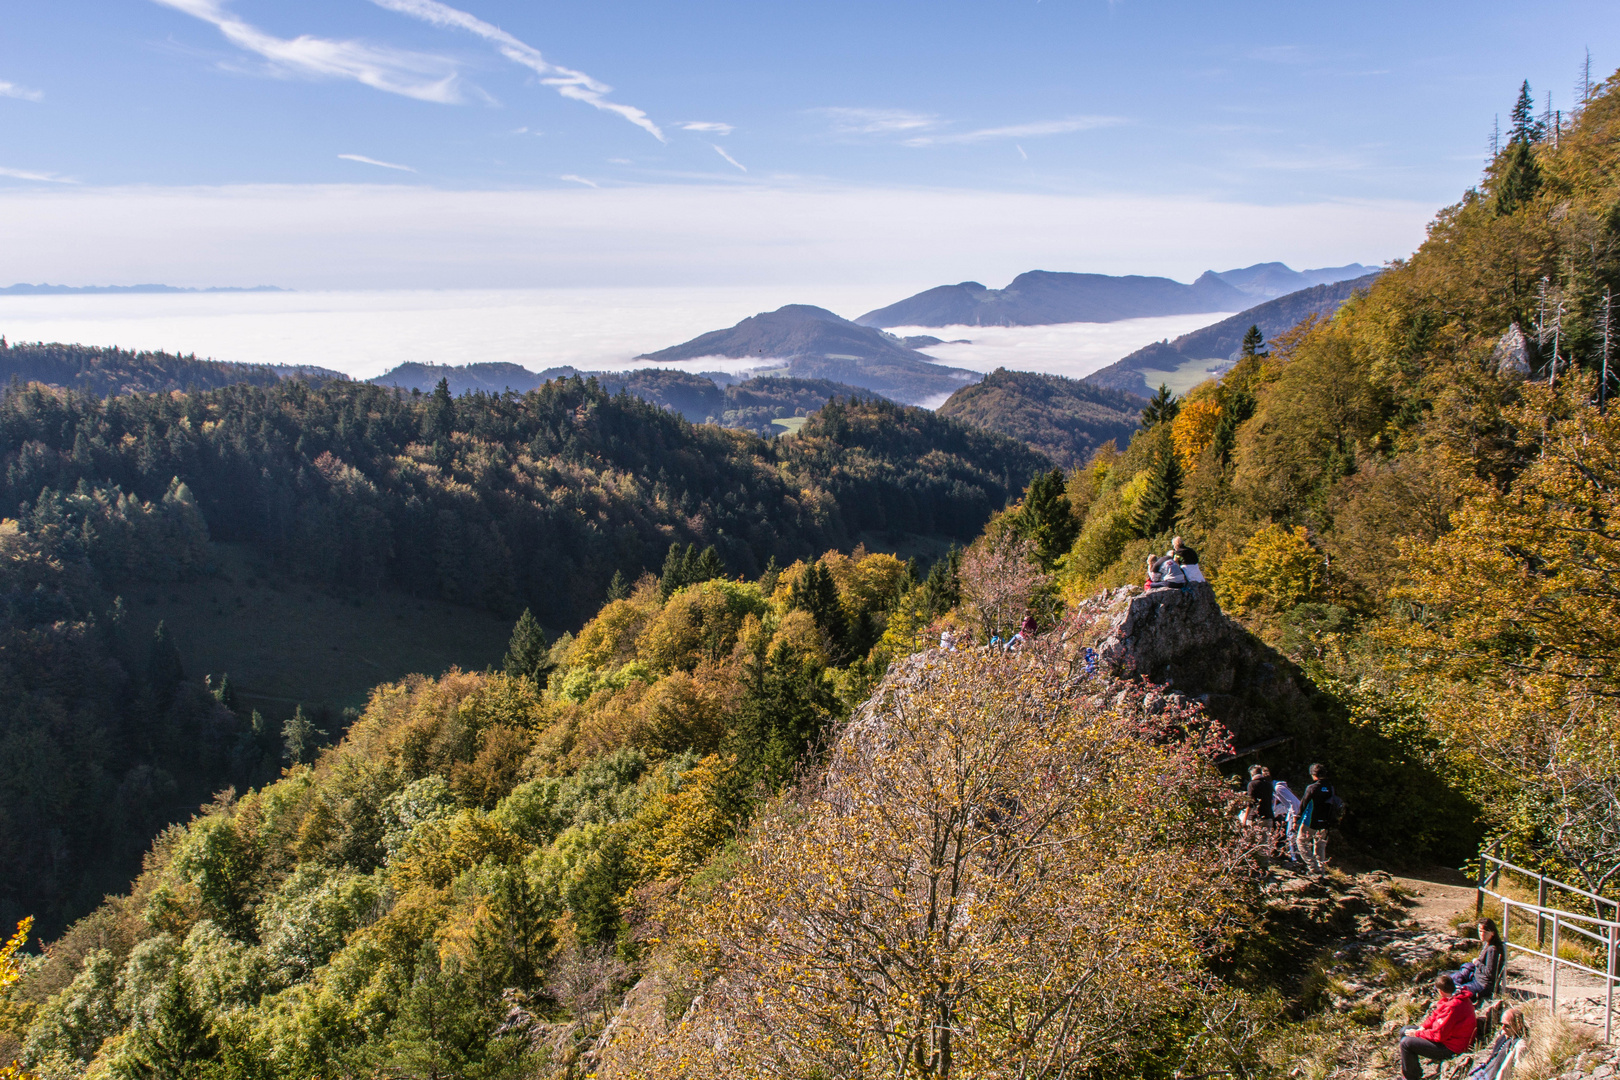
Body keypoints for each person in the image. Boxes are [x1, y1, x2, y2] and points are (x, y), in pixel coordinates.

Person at [1398, 975, 1477, 1080]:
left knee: (1406, 1043)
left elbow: (1439, 1035)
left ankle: (1411, 1078)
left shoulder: (1452, 1007)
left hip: (1452, 1047)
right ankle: (1413, 1071)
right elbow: (1436, 1015)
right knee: (1404, 1031)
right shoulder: (1455, 996)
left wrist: (1417, 1034)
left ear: (1440, 991)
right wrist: (1422, 1027)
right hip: (1448, 1038)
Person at [1451, 918, 1505, 1000]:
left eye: (1485, 932)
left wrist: (1477, 962)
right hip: (1476, 977)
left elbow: (1490, 973)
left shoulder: (1493, 949)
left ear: (1492, 933)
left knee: (1456, 992)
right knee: (1461, 971)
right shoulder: (1487, 942)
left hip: (1483, 984)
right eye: (1480, 931)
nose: (1482, 934)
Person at [1296, 763, 1336, 874]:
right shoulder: (1330, 788)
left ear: (1313, 775)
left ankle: (1313, 867)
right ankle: (1321, 870)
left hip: (1311, 821)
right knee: (1320, 846)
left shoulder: (1312, 788)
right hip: (1325, 822)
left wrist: (1297, 820)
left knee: (1301, 842)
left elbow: (1303, 805)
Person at [1467, 1008, 1527, 1080]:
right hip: (1486, 1073)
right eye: (1502, 1024)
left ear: (1518, 1026)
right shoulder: (1504, 1036)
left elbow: (1515, 1070)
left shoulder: (1520, 1045)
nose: (1503, 1028)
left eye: (1507, 1026)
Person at [1271, 779, 1303, 864]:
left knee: (1291, 835)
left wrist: (1295, 817)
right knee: (1292, 835)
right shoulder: (1277, 789)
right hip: (1293, 813)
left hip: (1295, 813)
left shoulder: (1278, 788)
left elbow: (1293, 802)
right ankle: (1295, 857)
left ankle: (1295, 859)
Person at [1244, 765, 1277, 848]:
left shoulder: (1252, 784)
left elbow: (1250, 803)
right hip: (1268, 816)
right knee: (1264, 844)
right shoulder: (1269, 784)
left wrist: (1245, 819)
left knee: (1251, 843)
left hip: (1256, 817)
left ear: (1252, 774)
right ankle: (1265, 860)